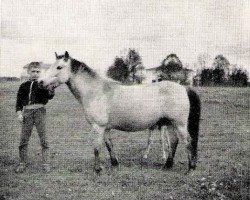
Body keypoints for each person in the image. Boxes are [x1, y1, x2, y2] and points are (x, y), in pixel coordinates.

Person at [15, 62, 55, 173]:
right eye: (33, 71)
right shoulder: (23, 86)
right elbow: (18, 102)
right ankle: (22, 163)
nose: (36, 73)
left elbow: (49, 97)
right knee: (23, 140)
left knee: (44, 139)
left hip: (40, 112)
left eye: (38, 71)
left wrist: (51, 90)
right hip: (27, 112)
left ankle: (46, 163)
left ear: (40, 72)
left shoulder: (42, 84)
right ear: (28, 72)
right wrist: (19, 113)